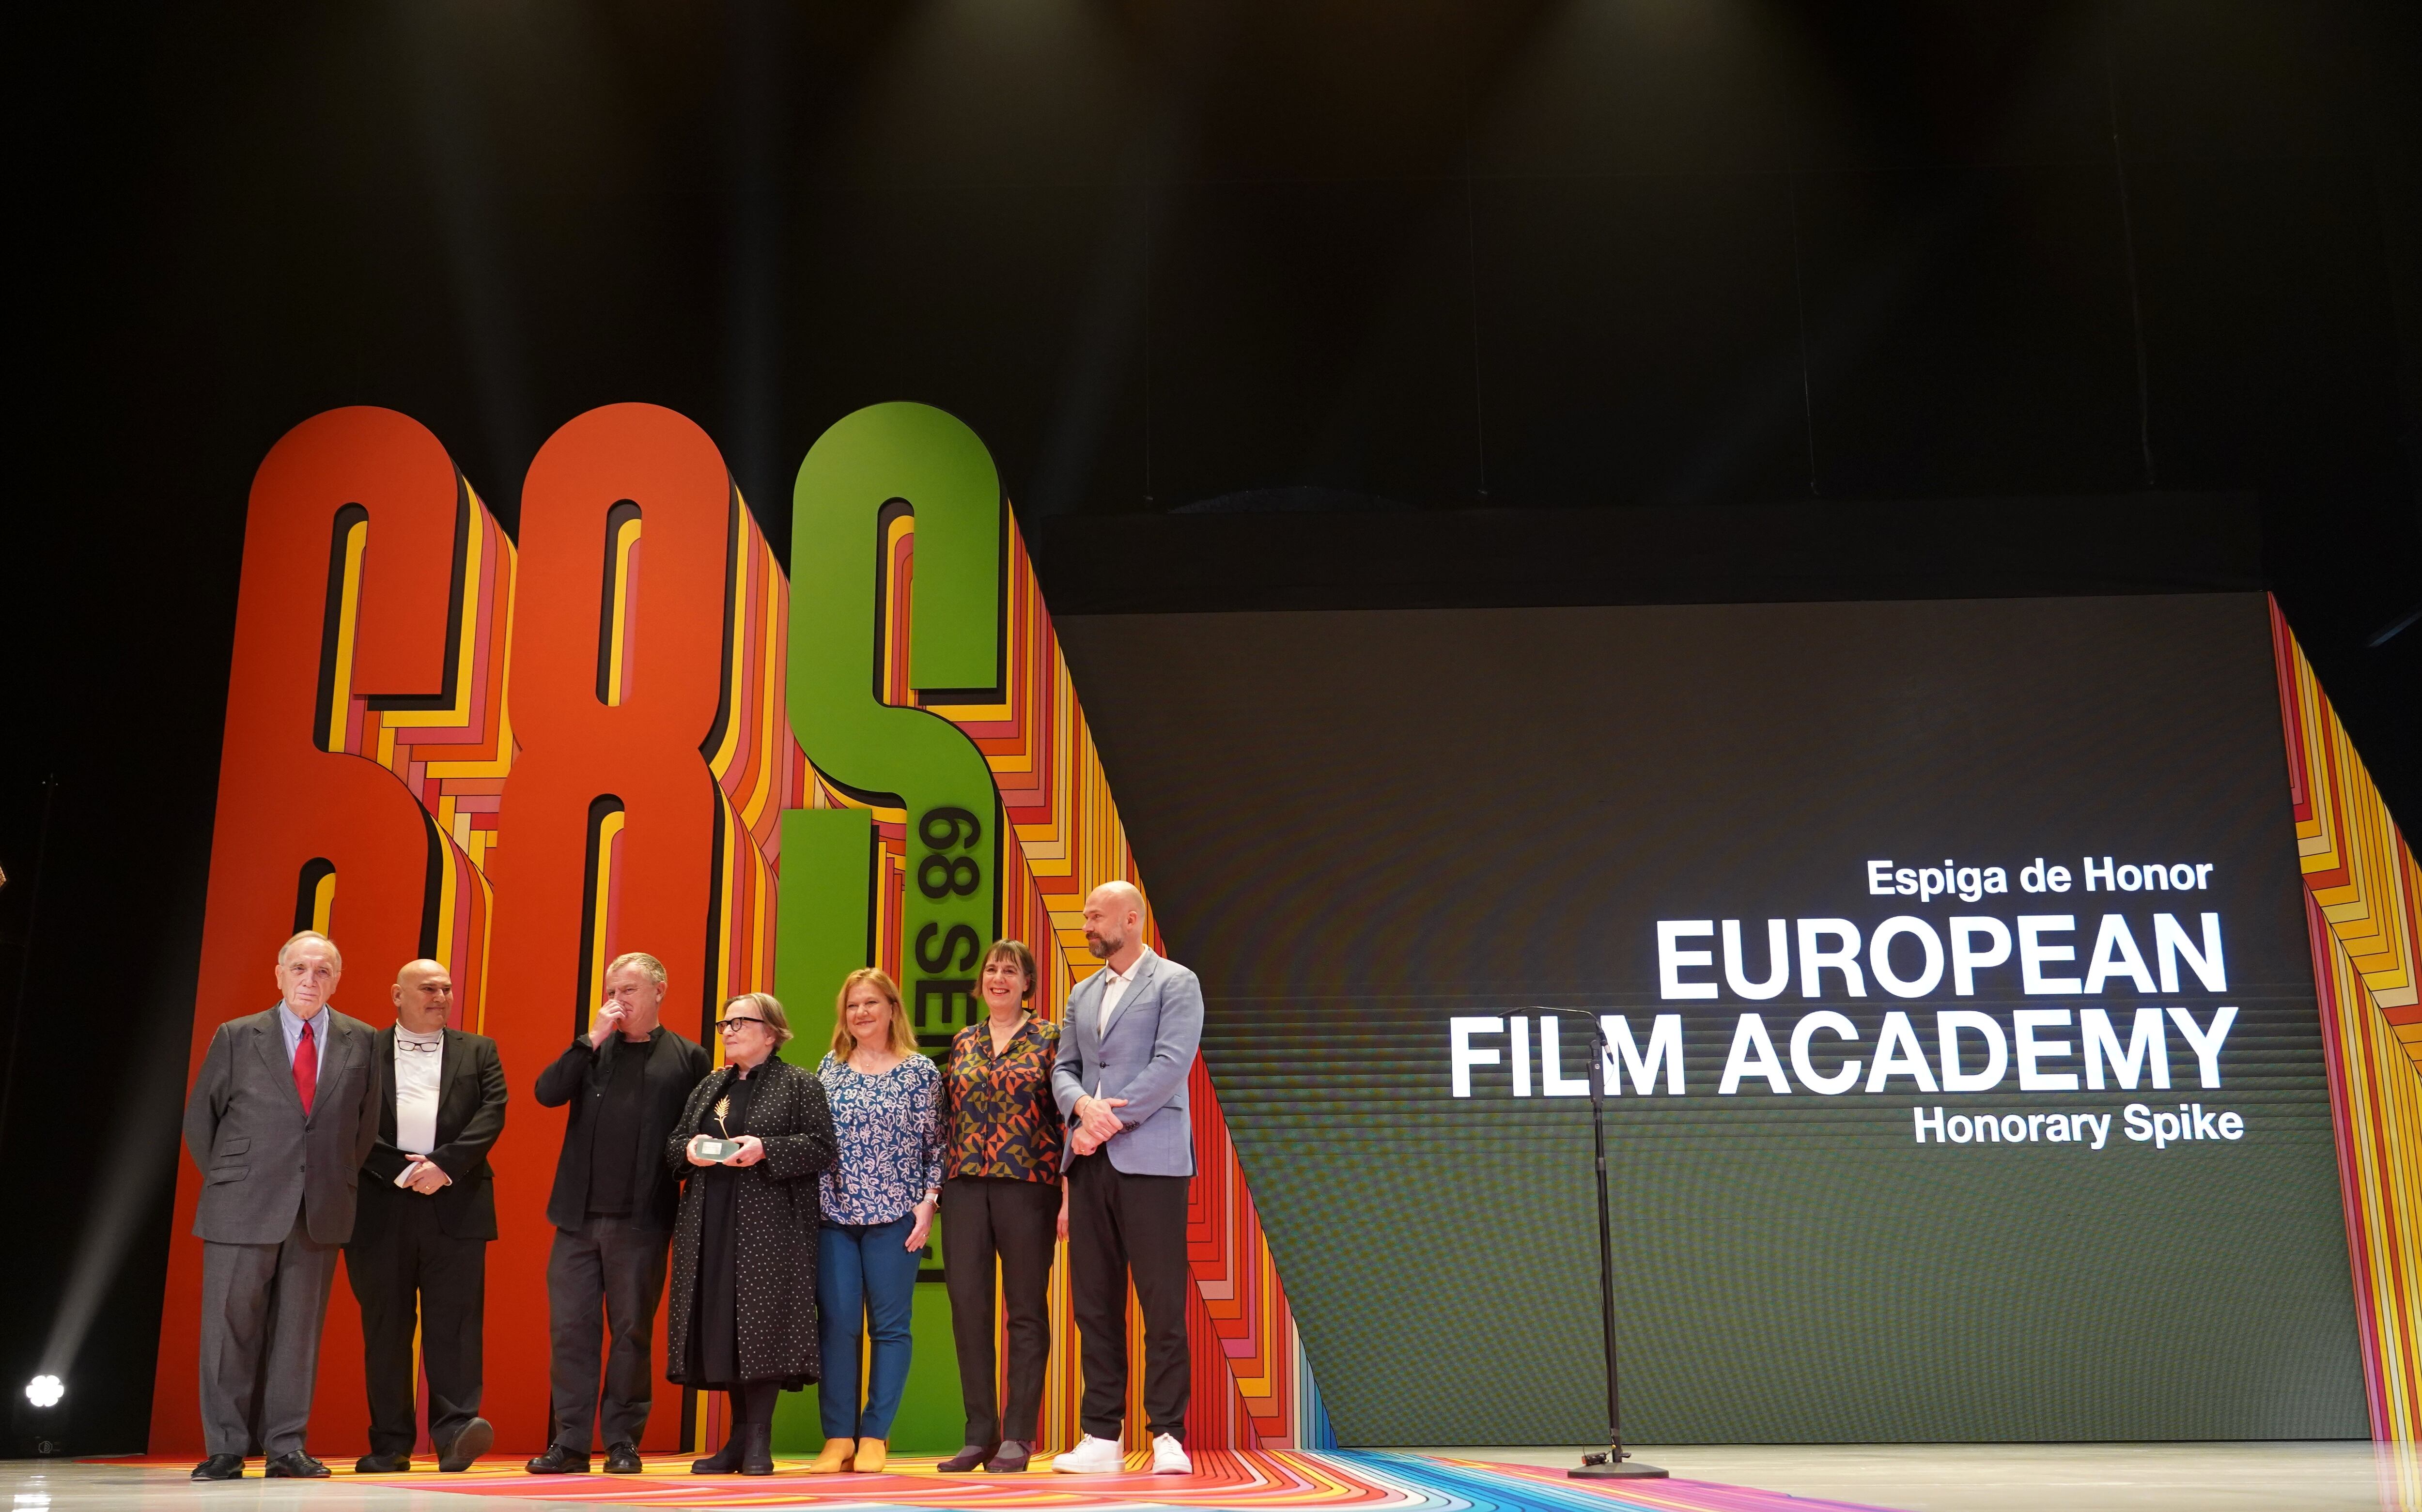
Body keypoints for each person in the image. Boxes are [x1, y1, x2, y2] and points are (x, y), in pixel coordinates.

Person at [180, 930, 381, 1481]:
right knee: (229, 1331)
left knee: (298, 1334)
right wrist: (237, 1176)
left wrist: (325, 1176)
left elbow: (363, 1129)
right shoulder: (237, 1035)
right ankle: (225, 1446)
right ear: (279, 974)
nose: (309, 980)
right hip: (240, 1203)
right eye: (299, 968)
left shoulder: (361, 1039)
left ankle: (286, 1447)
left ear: (336, 979)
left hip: (318, 1208)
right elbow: (203, 1120)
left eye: (322, 971)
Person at [528, 952, 711, 1475]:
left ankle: (622, 1441)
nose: (619, 999)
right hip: (576, 1217)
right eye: (612, 989)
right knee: (571, 1329)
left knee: (631, 1332)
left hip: (642, 1219)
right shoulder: (592, 1049)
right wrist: (591, 1038)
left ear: (659, 991)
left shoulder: (687, 1056)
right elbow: (546, 1092)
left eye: (629, 989)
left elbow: (693, 1134)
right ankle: (569, 1442)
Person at [1050, 881, 1203, 1476]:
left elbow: (1170, 1064)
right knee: (1095, 1303)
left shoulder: (1174, 981)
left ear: (1131, 918)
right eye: (1086, 914)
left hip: (1152, 1161)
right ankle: (1100, 1435)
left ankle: (1167, 1431)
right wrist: (1081, 1110)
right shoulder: (1081, 991)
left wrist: (1104, 1117)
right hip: (1088, 1162)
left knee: (1161, 1301)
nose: (1087, 922)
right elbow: (1065, 1067)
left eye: (1096, 914)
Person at [666, 993, 838, 1477]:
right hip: (711, 1220)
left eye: (740, 1022)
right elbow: (674, 1143)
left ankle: (758, 1441)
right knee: (724, 1327)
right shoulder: (709, 1085)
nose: (728, 1030)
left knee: (763, 1328)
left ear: (772, 1031)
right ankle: (737, 1442)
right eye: (725, 1022)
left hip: (771, 1224)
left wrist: (766, 1148)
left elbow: (822, 1146)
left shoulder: (799, 1083)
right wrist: (693, 1150)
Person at [346, 959, 508, 1474]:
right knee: (386, 1327)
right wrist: (399, 1168)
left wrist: (443, 1165)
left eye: (446, 987)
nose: (440, 995)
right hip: (379, 1203)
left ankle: (456, 1434)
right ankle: (390, 1443)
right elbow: (343, 1116)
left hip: (455, 1204)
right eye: (428, 988)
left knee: (456, 1327)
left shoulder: (479, 1049)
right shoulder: (360, 1047)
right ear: (397, 994)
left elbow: (492, 1113)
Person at [936, 941, 1068, 1474]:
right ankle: (978, 1433)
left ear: (1026, 982)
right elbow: (948, 1117)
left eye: (1010, 970)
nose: (998, 977)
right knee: (969, 1309)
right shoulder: (963, 1040)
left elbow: (1068, 1120)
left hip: (1028, 1185)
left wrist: (1069, 1195)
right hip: (965, 1186)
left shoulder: (1050, 1036)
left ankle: (1018, 1433)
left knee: (1026, 1311)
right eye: (991, 968)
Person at [809, 968, 942, 1474]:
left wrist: (929, 1200)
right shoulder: (829, 1067)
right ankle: (838, 1436)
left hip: (896, 1217)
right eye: (851, 1005)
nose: (860, 1013)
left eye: (870, 1002)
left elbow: (938, 1145)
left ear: (891, 1008)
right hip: (835, 1216)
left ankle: (875, 1435)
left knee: (890, 1328)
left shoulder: (920, 1072)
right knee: (838, 1326)